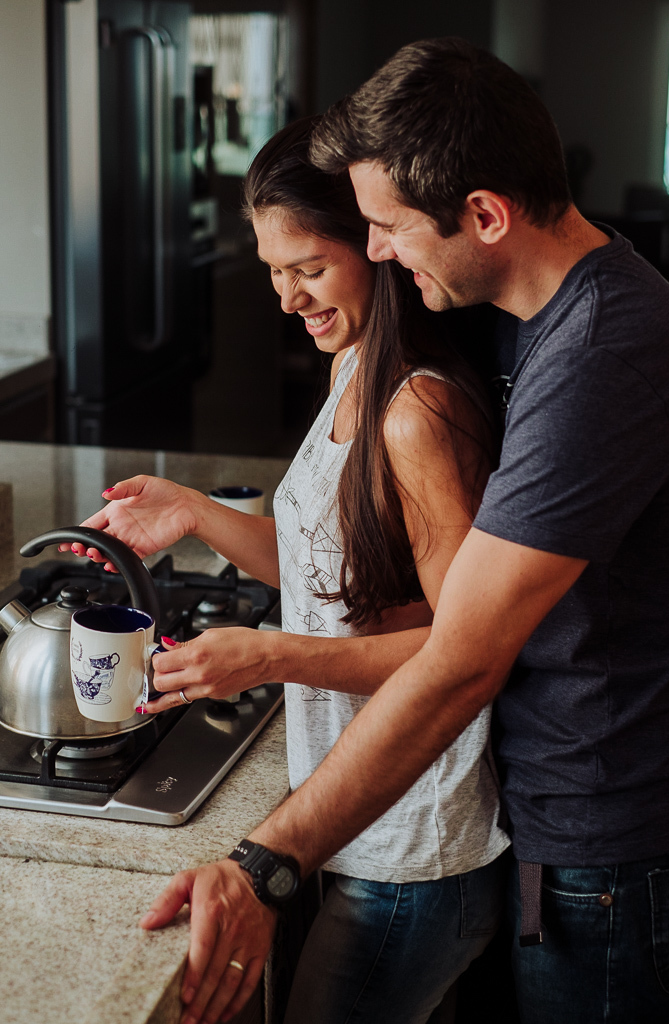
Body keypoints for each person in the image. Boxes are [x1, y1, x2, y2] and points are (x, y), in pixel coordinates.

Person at [114, 36, 669, 1024]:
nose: (374, 250)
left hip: (610, 843)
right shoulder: (515, 311)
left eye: (383, 227)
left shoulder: (602, 350)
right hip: (553, 818)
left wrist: (266, 859)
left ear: (484, 214)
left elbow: (462, 656)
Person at [68, 116, 511, 1023]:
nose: (287, 297)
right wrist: (193, 511)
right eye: (274, 270)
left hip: (414, 850)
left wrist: (269, 655)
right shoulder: (352, 362)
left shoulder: (416, 412)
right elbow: (328, 574)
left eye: (308, 268)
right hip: (352, 829)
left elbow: (462, 651)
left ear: (376, 247)